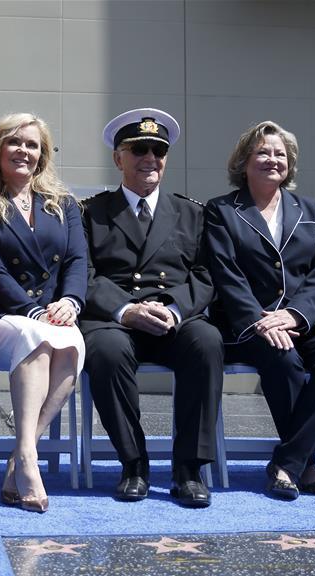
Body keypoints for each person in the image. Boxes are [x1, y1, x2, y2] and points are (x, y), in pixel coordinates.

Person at [205, 121, 315, 500]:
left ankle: (288, 460)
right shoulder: (222, 210)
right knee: (283, 356)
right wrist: (259, 319)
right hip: (249, 322)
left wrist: (295, 315)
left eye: (280, 153)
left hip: (306, 318)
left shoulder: (310, 208)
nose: (273, 159)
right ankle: (304, 464)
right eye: (263, 152)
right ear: (244, 162)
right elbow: (225, 273)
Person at [81, 108, 223, 508]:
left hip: (171, 320)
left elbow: (206, 276)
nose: (150, 158)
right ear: (118, 158)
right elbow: (84, 274)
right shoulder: (92, 212)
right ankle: (134, 464)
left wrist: (176, 309)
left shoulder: (192, 213)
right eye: (139, 149)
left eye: (158, 150)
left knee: (207, 341)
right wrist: (126, 309)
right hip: (117, 322)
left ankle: (189, 469)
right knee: (106, 351)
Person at [0, 113, 87, 513]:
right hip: (0, 317)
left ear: (43, 154)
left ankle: (19, 457)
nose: (24, 151)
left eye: (32, 145)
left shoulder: (65, 205)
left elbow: (76, 261)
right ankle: (30, 461)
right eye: (14, 143)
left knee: (72, 342)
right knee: (37, 337)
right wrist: (33, 309)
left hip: (55, 314)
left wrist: (70, 302)